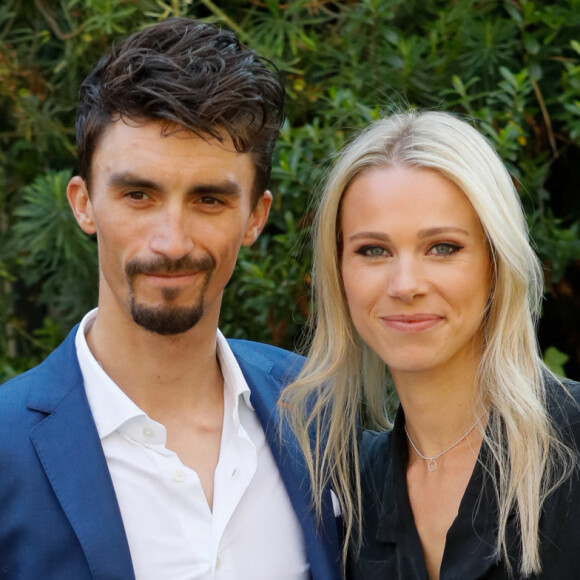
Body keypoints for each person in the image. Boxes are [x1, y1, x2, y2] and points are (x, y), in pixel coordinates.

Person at [0, 18, 342, 579]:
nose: (172, 242)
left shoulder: (319, 412)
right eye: (138, 195)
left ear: (255, 217)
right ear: (83, 204)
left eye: (209, 199)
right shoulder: (6, 447)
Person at [281, 110, 580, 579]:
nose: (405, 284)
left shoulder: (572, 446)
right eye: (373, 250)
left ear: (496, 265)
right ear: (338, 273)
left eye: (442, 247)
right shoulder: (345, 493)